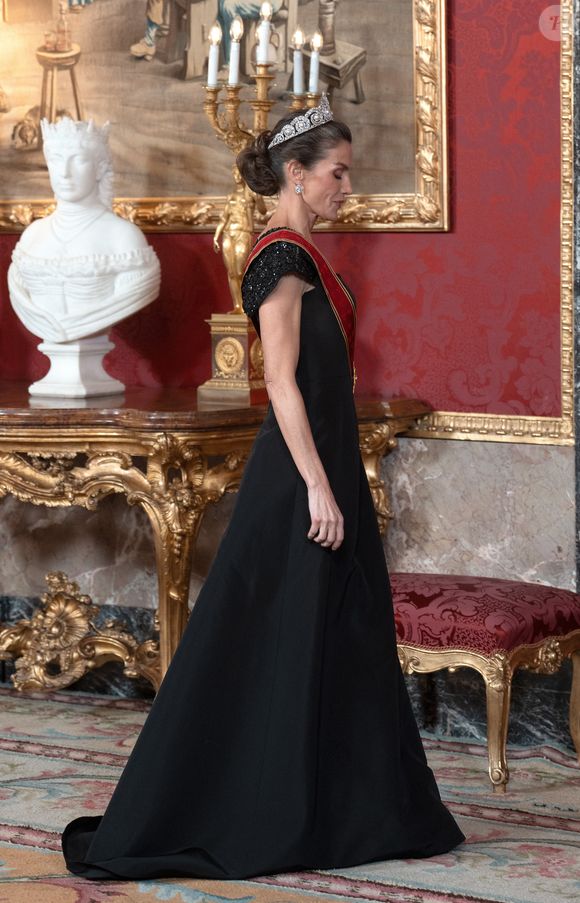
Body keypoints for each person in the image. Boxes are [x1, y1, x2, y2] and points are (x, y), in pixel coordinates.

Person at [60, 96, 465, 880]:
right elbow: (279, 383)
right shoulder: (279, 257)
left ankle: (349, 806)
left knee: (331, 634)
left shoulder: (306, 254)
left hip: (327, 462)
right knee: (267, 639)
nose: (346, 185)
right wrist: (317, 487)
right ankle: (251, 804)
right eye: (336, 172)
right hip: (300, 474)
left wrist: (332, 475)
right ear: (295, 173)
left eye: (347, 171)